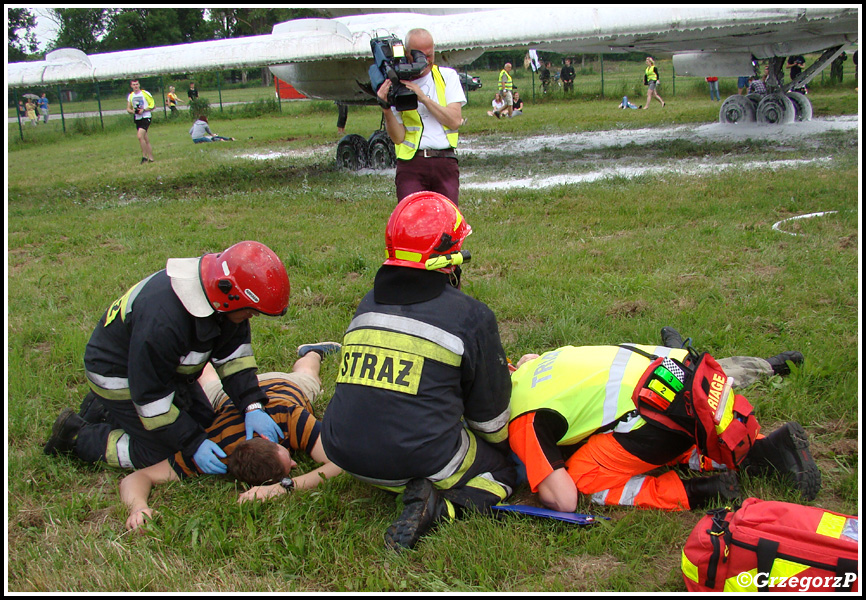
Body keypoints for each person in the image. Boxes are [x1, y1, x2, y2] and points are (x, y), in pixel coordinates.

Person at [321, 191, 516, 552]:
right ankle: (443, 509)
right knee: (504, 472)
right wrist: (506, 450)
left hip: (342, 451)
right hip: (409, 459)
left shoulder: (367, 303)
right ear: (449, 259)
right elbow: (489, 419)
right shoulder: (472, 317)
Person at [43, 241, 292, 477]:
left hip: (164, 371)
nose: (251, 316)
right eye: (249, 311)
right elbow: (151, 398)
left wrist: (252, 405)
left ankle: (107, 411)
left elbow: (234, 358)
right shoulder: (163, 322)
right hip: (121, 378)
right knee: (165, 451)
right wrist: (192, 444)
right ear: (229, 298)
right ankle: (78, 436)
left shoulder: (219, 297)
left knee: (206, 424)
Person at [507, 326, 819, 513]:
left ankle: (695, 492)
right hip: (685, 374)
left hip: (656, 418)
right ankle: (766, 449)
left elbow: (565, 501)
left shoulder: (523, 419)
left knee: (581, 475)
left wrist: (539, 474)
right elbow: (527, 360)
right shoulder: (538, 363)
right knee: (682, 424)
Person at [118, 347, 343, 531]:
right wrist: (137, 508)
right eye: (291, 463)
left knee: (306, 375)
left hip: (261, 391)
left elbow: (344, 463)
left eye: (289, 462)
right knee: (303, 374)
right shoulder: (218, 447)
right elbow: (138, 477)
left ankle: (313, 353)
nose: (295, 462)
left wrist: (283, 487)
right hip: (253, 392)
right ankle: (311, 354)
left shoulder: (287, 419)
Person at [377, 28, 466, 205]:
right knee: (411, 224)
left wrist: (424, 99)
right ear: (407, 53)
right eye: (420, 55)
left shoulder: (447, 76)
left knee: (447, 225)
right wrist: (386, 108)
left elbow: (454, 121)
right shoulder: (397, 83)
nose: (426, 61)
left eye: (430, 55)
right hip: (412, 164)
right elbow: (398, 137)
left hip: (444, 161)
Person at [126, 79, 155, 164]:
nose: (136, 86)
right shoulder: (131, 96)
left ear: (139, 85)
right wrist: (133, 111)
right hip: (137, 118)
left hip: (146, 117)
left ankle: (144, 157)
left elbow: (153, 105)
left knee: (139, 136)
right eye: (134, 84)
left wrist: (144, 110)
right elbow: (128, 108)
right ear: (131, 86)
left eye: (137, 84)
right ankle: (151, 158)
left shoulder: (145, 93)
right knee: (145, 138)